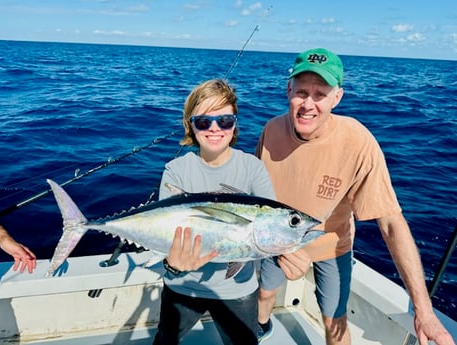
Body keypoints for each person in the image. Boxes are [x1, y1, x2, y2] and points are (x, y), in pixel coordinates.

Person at [255, 48, 455, 345]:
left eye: (320, 94)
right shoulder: (271, 129)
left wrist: (423, 310)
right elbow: (255, 198)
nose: (308, 104)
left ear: (337, 97)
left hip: (331, 246)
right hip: (277, 241)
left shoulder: (359, 143)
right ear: (288, 90)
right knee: (264, 292)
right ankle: (260, 328)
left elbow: (390, 223)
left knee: (334, 321)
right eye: (301, 92)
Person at [152, 79, 279, 345]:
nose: (214, 129)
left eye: (224, 121)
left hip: (238, 289)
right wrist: (172, 266)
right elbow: (166, 234)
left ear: (234, 125)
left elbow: (270, 226)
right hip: (182, 285)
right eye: (203, 121)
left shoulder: (252, 168)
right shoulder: (176, 170)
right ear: (190, 124)